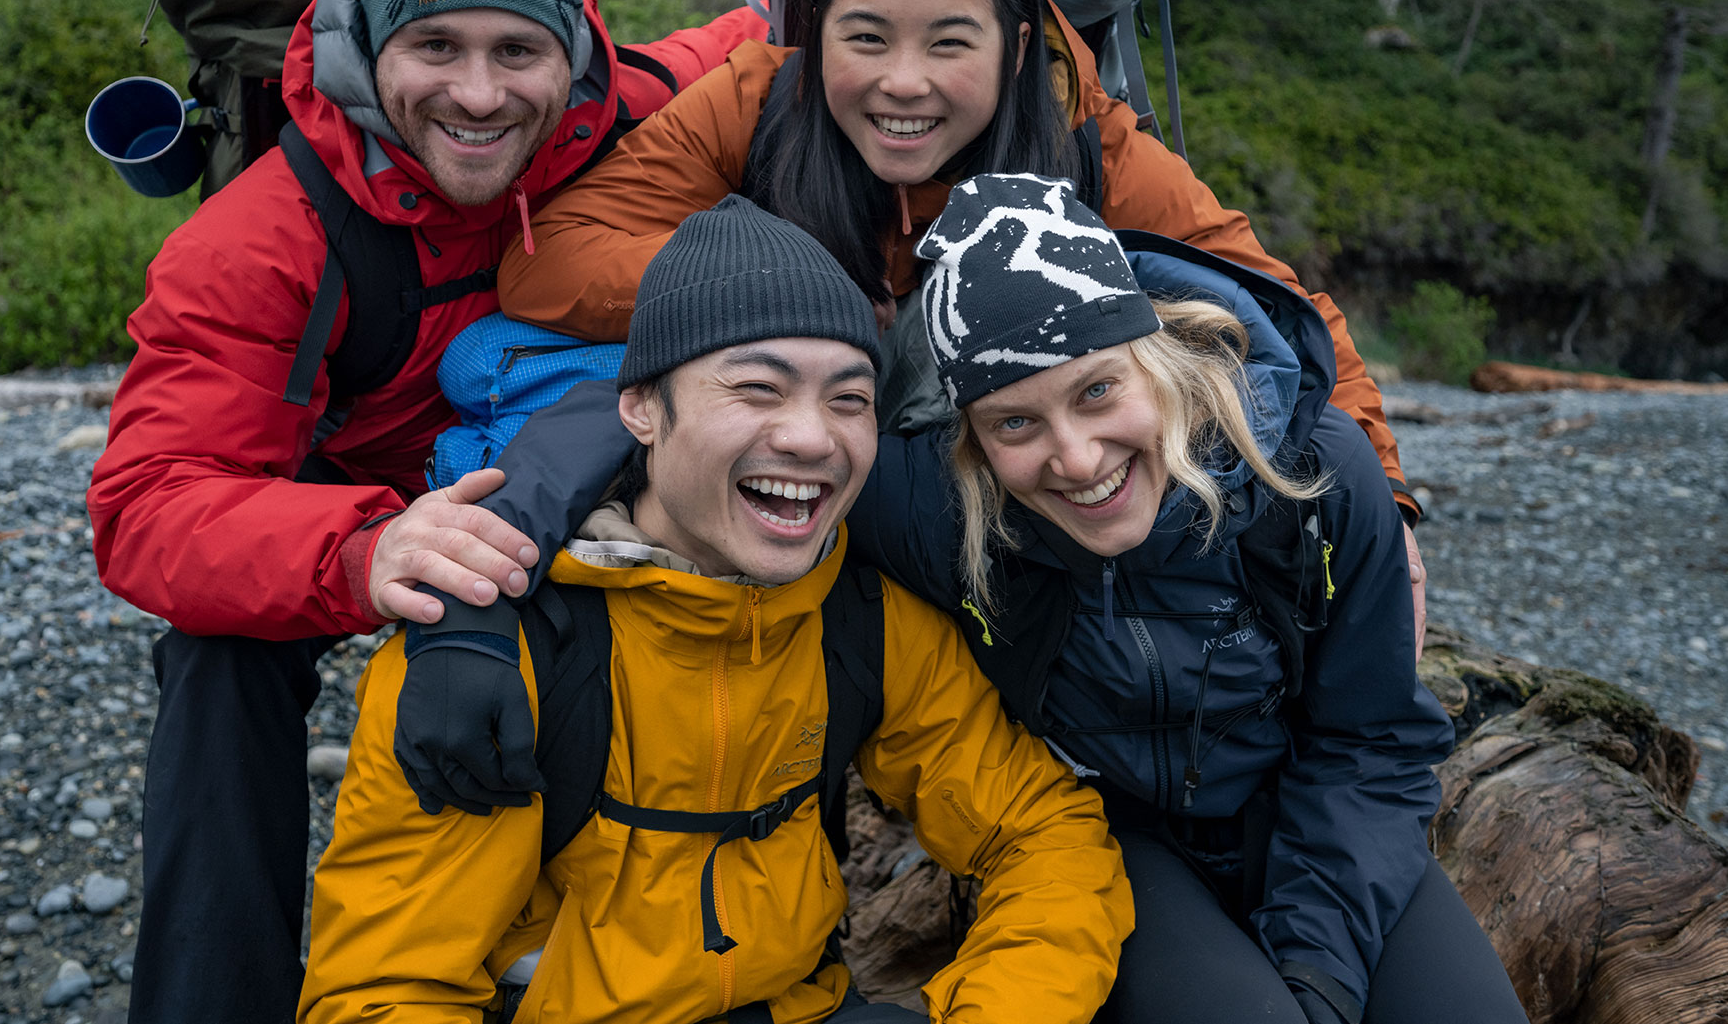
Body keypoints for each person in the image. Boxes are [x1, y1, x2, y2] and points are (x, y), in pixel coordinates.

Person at [84, 0, 767, 1024]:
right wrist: (367, 549)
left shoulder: (631, 112)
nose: (481, 95)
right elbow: (145, 503)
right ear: (370, 51)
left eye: (518, 53)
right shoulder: (256, 241)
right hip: (358, 495)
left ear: (574, 56)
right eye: (435, 51)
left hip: (551, 456)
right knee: (215, 661)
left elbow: (773, 39)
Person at [489, 0, 1429, 630]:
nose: (905, 83)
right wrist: (782, 286)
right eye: (865, 39)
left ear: (1016, 47)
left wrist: (1383, 514)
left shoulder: (1087, 142)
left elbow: (1275, 309)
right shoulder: (755, 102)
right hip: (801, 461)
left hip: (1003, 497)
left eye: (949, 43)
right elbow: (548, 260)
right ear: (813, 32)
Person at [296, 196, 1135, 1024]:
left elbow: (1042, 833)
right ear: (641, 410)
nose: (812, 438)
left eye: (848, 399)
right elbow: (381, 992)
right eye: (757, 388)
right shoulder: (495, 648)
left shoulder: (863, 619)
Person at [847, 171, 1524, 1024]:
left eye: (1098, 391)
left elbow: (1372, 738)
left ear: (1153, 356)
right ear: (971, 439)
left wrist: (1318, 969)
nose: (1078, 458)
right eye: (1014, 422)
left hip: (1309, 803)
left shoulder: (1314, 471)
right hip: (1110, 834)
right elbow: (761, 461)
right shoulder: (938, 508)